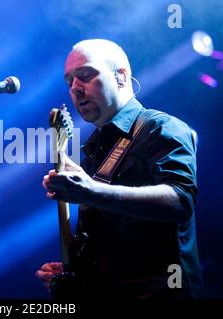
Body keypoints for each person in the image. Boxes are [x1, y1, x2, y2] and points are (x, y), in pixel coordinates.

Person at [36, 39, 202, 299]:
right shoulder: (93, 149)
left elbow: (180, 202)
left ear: (121, 76)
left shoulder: (161, 128)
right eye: (69, 81)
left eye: (86, 75)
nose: (75, 88)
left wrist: (92, 192)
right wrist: (76, 273)